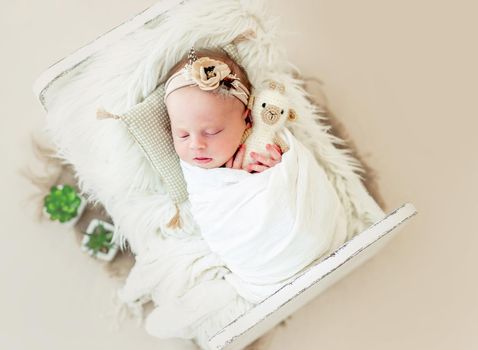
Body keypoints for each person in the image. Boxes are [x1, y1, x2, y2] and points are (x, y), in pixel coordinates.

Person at [164, 47, 283, 172]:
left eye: (212, 132)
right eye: (183, 135)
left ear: (247, 119)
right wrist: (232, 182)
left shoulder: (268, 142)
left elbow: (301, 173)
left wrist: (280, 168)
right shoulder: (191, 171)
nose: (196, 145)